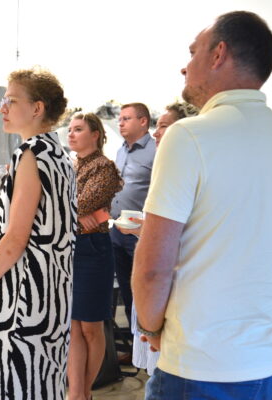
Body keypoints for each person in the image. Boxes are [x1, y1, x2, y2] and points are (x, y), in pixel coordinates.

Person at [134, 11, 272, 399]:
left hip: (205, 362)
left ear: (218, 54)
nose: (185, 66)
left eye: (193, 52)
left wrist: (150, 326)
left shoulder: (188, 136)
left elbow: (153, 266)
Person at [0, 67, 76, 400]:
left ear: (37, 108)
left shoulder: (30, 153)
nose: (2, 108)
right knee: (41, 384)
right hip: (52, 294)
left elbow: (16, 237)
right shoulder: (58, 153)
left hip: (25, 297)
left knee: (11, 387)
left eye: (12, 101)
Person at [117, 101, 196, 376]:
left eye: (163, 126)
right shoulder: (170, 165)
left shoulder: (185, 171)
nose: (156, 133)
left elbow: (182, 233)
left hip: (173, 278)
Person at [66, 112, 122, 400]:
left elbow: (78, 204)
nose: (71, 134)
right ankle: (76, 392)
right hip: (70, 248)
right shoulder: (71, 164)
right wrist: (79, 215)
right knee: (74, 326)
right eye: (70, 129)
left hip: (93, 249)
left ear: (95, 134)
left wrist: (81, 213)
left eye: (78, 129)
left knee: (91, 325)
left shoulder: (104, 166)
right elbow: (57, 206)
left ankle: (84, 391)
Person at [109, 102, 154, 327]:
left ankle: (148, 339)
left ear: (143, 121)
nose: (121, 123)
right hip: (118, 228)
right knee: (126, 291)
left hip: (140, 231)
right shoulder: (121, 150)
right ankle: (133, 337)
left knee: (144, 291)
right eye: (120, 119)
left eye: (126, 119)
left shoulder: (155, 150)